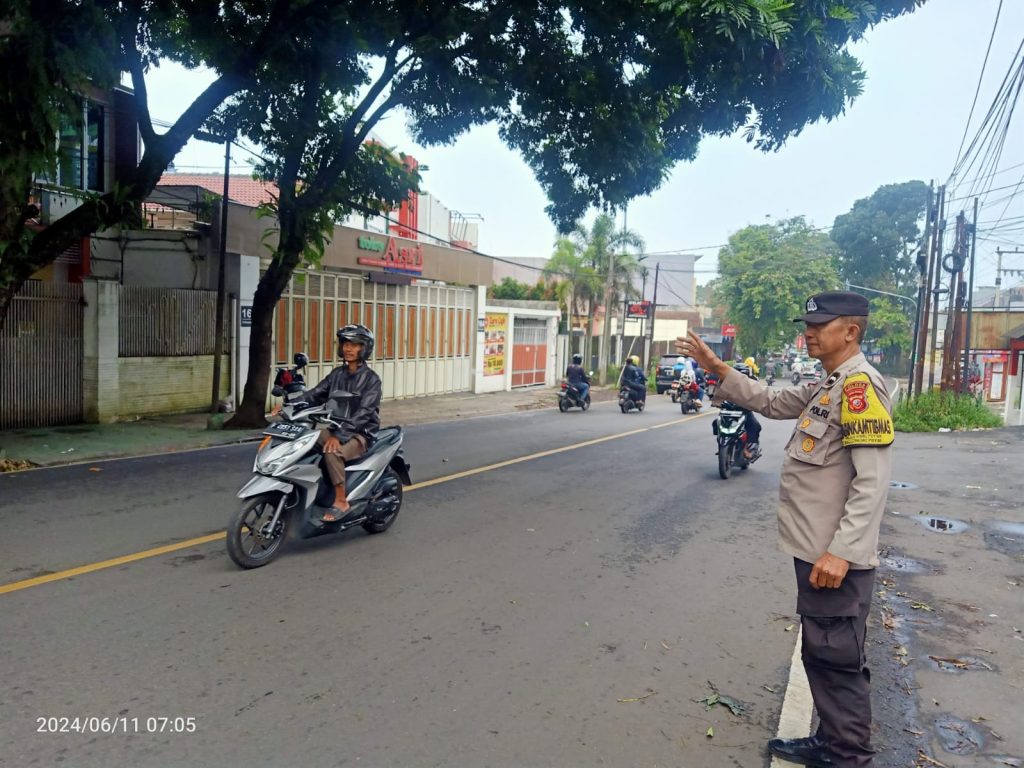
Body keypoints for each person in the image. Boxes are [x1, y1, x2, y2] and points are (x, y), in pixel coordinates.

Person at [676, 291, 894, 768]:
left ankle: (848, 756)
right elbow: (771, 401)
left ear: (851, 331)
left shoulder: (858, 388)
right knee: (823, 652)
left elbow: (872, 482)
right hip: (817, 553)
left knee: (836, 660)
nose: (809, 332)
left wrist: (842, 551)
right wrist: (715, 364)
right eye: (808, 324)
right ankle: (830, 742)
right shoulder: (829, 384)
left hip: (834, 559)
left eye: (820, 325)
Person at [283, 324, 382, 522]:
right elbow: (315, 394)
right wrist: (289, 405)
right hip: (336, 427)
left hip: (360, 433)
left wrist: (339, 436)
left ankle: (341, 501)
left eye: (355, 345)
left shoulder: (372, 380)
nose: (348, 348)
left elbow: (364, 413)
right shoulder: (337, 374)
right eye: (346, 344)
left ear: (364, 348)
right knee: (304, 438)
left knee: (331, 451)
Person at [731, 363, 762, 457]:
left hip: (744, 412)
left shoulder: (752, 383)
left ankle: (749, 448)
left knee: (755, 426)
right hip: (728, 412)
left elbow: (760, 396)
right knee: (716, 423)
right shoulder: (726, 381)